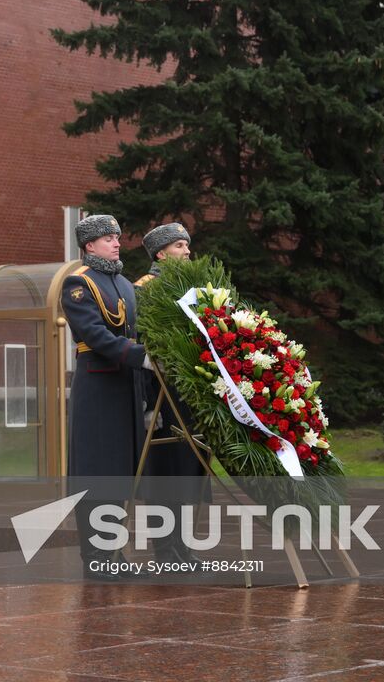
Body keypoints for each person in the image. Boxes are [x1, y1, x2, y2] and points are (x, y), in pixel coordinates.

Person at [62, 214, 153, 577]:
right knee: (97, 474)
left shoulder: (125, 285)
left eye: (117, 237)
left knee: (119, 475)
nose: (116, 243)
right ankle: (96, 558)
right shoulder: (78, 283)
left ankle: (113, 554)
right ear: (89, 245)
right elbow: (95, 335)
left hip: (125, 388)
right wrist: (137, 356)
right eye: (107, 238)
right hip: (98, 389)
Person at [135, 222, 211, 562]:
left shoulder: (193, 288)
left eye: (187, 245)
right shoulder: (145, 289)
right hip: (163, 392)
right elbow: (143, 348)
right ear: (161, 253)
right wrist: (150, 403)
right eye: (180, 246)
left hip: (192, 392)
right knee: (164, 472)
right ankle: (165, 549)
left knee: (188, 469)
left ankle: (182, 546)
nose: (187, 251)